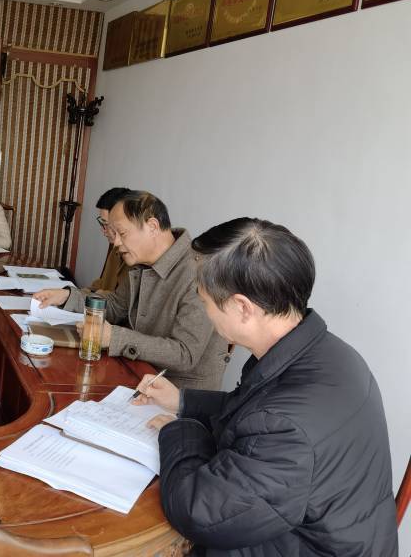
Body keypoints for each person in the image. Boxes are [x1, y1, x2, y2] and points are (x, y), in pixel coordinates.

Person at [134, 218, 397, 556]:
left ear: (242, 307)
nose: (205, 310)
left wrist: (180, 429)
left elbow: (198, 512)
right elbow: (254, 410)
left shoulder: (286, 427)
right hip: (324, 530)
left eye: (204, 301)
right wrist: (183, 401)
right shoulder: (325, 352)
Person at [34, 191, 227, 390]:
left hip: (178, 393)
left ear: (152, 226)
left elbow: (184, 354)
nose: (116, 243)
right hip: (136, 374)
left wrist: (113, 338)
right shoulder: (142, 262)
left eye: (122, 233)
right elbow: (116, 305)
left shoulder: (201, 272)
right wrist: (68, 296)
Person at [87, 187, 130, 294]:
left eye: (106, 224)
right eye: (102, 223)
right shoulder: (115, 249)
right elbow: (102, 284)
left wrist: (101, 294)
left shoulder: (139, 259)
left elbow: (122, 300)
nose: (103, 230)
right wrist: (70, 293)